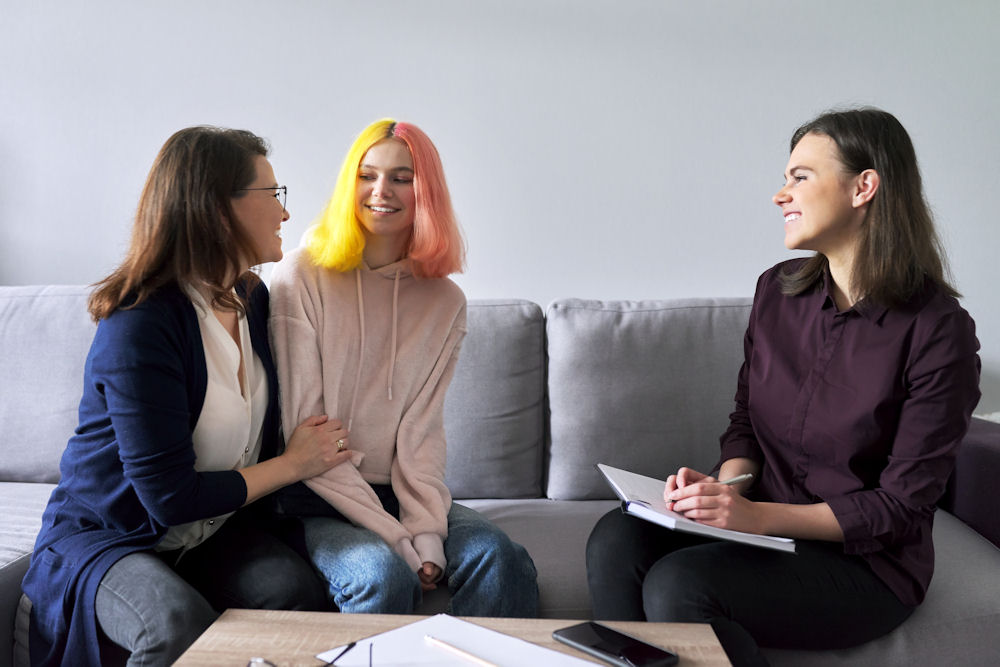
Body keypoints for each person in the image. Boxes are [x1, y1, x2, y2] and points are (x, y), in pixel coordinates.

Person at [586, 108, 981, 666]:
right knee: (616, 538)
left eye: (800, 177)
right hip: (762, 530)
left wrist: (754, 518)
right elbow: (745, 425)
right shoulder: (776, 293)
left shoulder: (938, 331)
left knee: (682, 584)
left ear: (864, 186)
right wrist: (725, 491)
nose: (780, 194)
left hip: (864, 563)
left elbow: (901, 506)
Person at [20, 127, 354, 666]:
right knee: (173, 624)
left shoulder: (253, 297)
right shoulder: (141, 323)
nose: (285, 214)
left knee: (291, 591)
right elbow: (169, 498)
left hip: (208, 534)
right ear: (219, 211)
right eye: (274, 195)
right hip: (111, 535)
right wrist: (294, 464)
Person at [268, 118, 538, 616]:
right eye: (367, 175)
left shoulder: (445, 301)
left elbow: (421, 434)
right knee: (380, 576)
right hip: (315, 495)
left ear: (425, 191)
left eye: (401, 177)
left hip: (398, 490)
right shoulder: (299, 276)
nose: (381, 191)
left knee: (502, 560)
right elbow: (305, 433)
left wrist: (428, 532)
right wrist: (398, 539)